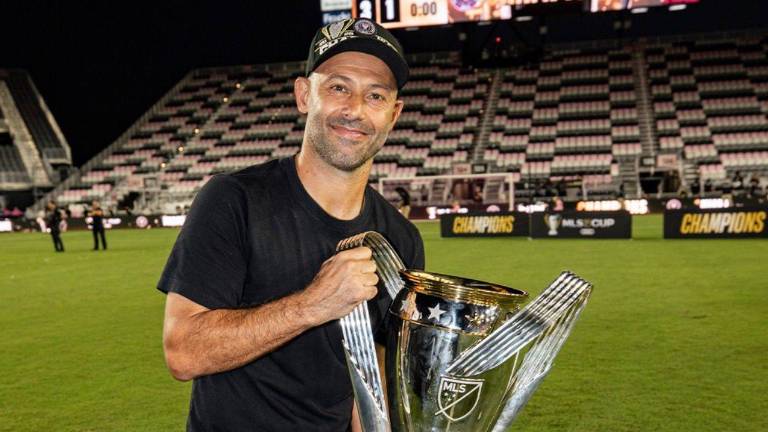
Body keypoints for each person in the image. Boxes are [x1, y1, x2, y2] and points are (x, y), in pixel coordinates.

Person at [157, 18, 424, 432]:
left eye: (375, 95)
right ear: (304, 95)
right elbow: (184, 353)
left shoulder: (401, 239)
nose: (355, 110)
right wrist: (313, 304)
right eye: (338, 87)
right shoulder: (234, 199)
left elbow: (370, 377)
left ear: (393, 114)